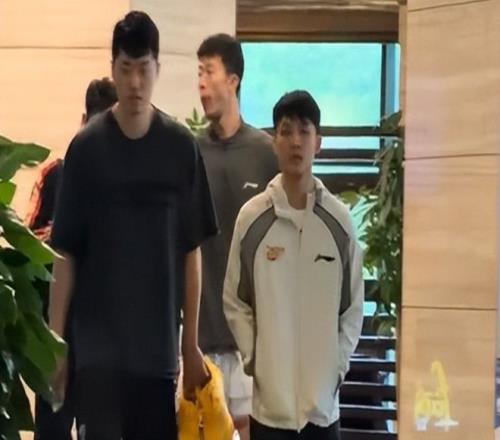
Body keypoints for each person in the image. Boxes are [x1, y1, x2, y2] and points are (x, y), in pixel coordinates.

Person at [49, 11, 217, 439]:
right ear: (113, 69)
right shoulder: (86, 149)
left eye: (144, 69)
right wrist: (56, 341)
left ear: (158, 68)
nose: (135, 82)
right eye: (126, 69)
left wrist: (190, 343)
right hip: (97, 356)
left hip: (156, 354)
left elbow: (191, 251)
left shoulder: (180, 148)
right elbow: (65, 251)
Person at [223, 90, 364, 440]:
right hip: (270, 413)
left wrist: (336, 370)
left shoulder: (338, 222)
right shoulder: (252, 219)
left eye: (304, 131)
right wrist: (256, 360)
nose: (296, 141)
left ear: (319, 142)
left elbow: (352, 308)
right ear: (274, 142)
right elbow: (235, 300)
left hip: (322, 411)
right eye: (286, 131)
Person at [196, 33, 278, 440]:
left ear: (233, 80)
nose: (201, 84)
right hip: (200, 339)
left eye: (209, 72)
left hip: (251, 340)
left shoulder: (266, 153)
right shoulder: (191, 153)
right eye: (198, 73)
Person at [26, 77, 117, 440]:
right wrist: (66, 235)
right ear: (82, 123)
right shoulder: (55, 174)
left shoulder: (122, 186)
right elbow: (28, 243)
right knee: (51, 429)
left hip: (104, 334)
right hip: (56, 328)